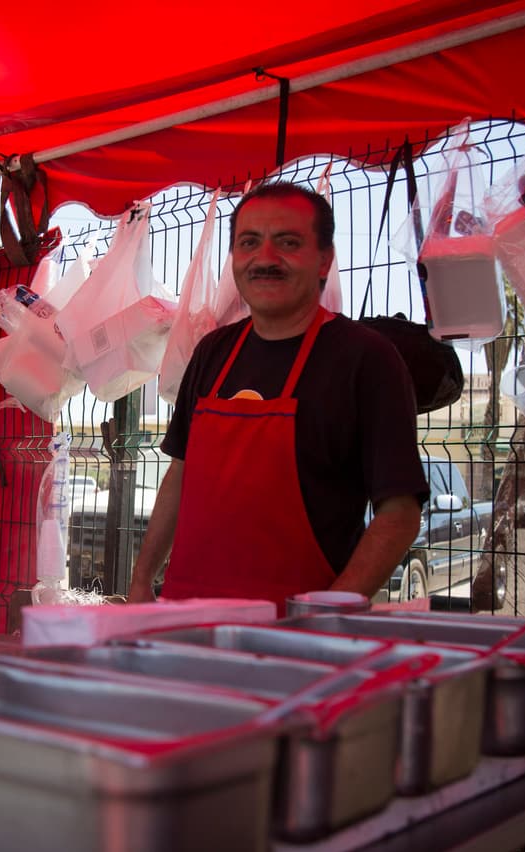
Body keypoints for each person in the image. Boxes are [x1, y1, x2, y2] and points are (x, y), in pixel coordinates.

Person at [127, 182, 427, 613]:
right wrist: (141, 580)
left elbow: (400, 513)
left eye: (288, 242)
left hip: (294, 633)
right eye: (249, 242)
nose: (265, 259)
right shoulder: (213, 352)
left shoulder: (367, 360)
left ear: (324, 259)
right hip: (185, 622)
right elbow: (181, 471)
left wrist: (326, 613)